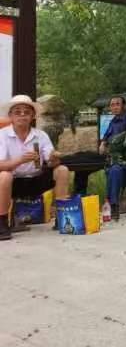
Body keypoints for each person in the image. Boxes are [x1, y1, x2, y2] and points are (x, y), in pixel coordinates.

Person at [0, 95, 71, 241]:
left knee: (62, 169)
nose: (22, 115)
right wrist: (20, 160)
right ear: (10, 116)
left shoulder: (40, 135)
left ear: (32, 116)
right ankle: (2, 224)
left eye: (26, 112)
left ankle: (62, 217)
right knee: (4, 175)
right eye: (17, 112)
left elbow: (50, 163)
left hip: (36, 179)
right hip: (13, 181)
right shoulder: (2, 135)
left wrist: (53, 158)